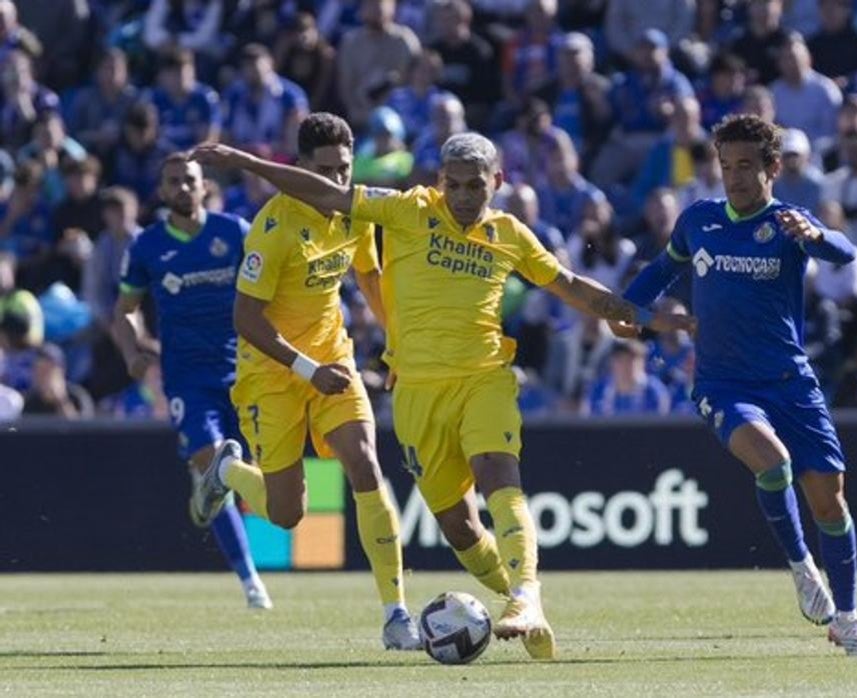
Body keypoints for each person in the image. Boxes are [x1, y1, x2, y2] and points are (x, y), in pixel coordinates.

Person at [191, 131, 694, 661]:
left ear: (496, 183)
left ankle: (510, 600)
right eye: (452, 184)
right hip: (412, 394)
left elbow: (569, 284)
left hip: (483, 379)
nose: (462, 196)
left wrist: (642, 317)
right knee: (453, 527)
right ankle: (514, 596)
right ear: (438, 182)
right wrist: (246, 162)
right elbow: (329, 197)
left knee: (488, 473)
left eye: (474, 186)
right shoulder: (406, 211)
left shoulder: (510, 233)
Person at [621, 115, 857, 658]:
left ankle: (850, 619)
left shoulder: (788, 223)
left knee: (830, 503)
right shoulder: (698, 220)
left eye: (745, 166)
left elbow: (844, 253)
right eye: (726, 166)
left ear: (772, 168)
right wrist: (624, 308)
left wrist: (816, 236)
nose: (733, 177)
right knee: (773, 461)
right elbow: (659, 273)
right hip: (723, 382)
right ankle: (801, 567)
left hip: (792, 383)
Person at [189, 114, 420, 650]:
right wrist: (305, 369)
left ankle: (395, 615)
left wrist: (396, 345)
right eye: (326, 170)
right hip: (272, 375)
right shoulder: (274, 226)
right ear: (299, 167)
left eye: (344, 168)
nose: (338, 181)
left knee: (364, 462)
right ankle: (229, 470)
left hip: (332, 358)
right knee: (286, 514)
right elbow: (245, 319)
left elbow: (368, 274)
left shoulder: (353, 214)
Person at [111, 153, 272, 611]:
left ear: (205, 186)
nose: (182, 187)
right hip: (187, 380)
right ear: (161, 191)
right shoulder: (147, 246)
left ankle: (208, 486)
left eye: (190, 180)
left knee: (247, 479)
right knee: (213, 459)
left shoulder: (234, 233)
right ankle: (251, 581)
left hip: (246, 373)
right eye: (173, 181)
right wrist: (132, 353)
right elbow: (123, 311)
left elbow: (269, 291)